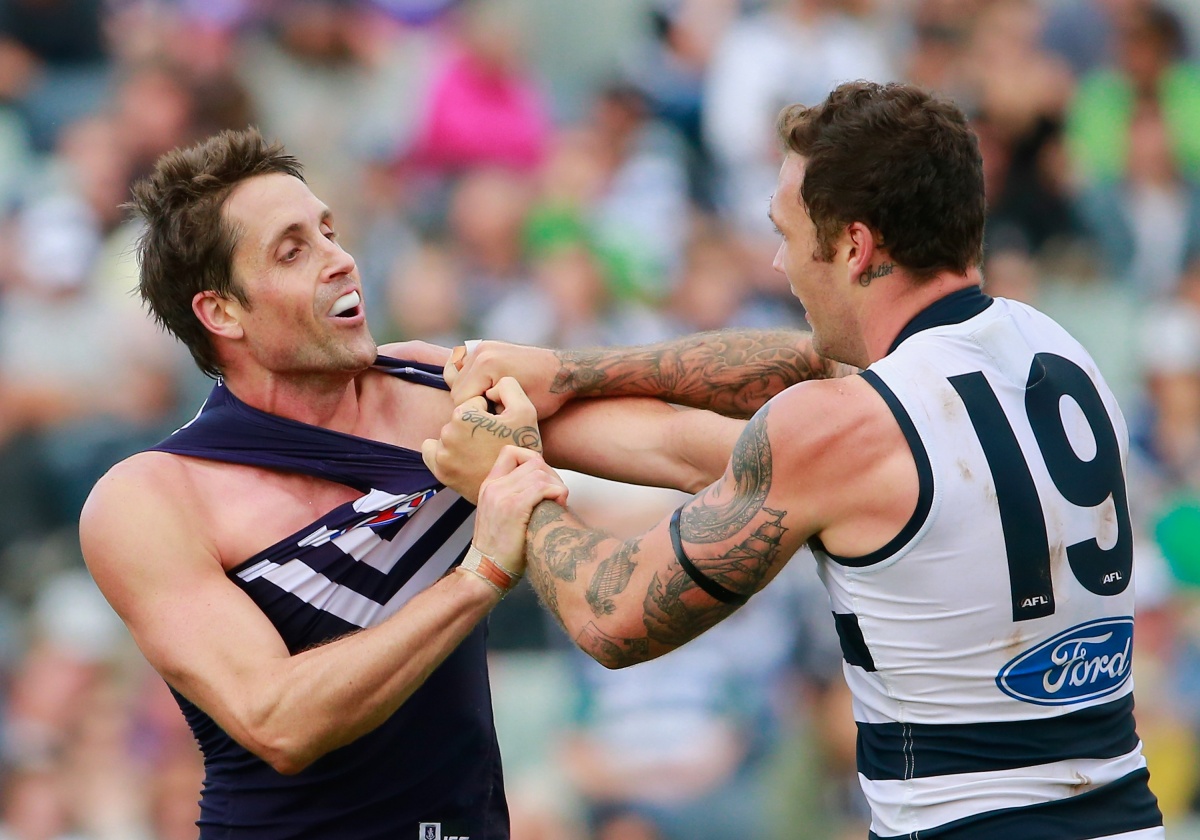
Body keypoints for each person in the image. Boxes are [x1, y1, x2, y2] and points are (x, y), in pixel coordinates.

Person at [431, 81, 1166, 839]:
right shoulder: (1051, 347)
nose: (780, 262)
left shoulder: (842, 429)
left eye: (787, 233)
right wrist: (566, 371)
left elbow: (612, 617)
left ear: (855, 246)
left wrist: (509, 479)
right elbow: (798, 371)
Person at [77, 128, 843, 838]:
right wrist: (480, 575)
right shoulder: (153, 498)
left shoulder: (436, 387)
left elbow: (684, 448)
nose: (339, 259)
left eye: (330, 232)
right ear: (220, 311)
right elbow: (278, 721)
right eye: (292, 251)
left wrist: (870, 424)